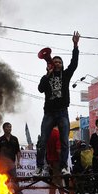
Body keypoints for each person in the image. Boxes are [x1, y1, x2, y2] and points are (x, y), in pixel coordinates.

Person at [33, 31, 80, 177]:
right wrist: (47, 74)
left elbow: (74, 64)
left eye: (59, 62)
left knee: (65, 141)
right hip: (48, 113)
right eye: (55, 61)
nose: (57, 63)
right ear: (51, 64)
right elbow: (40, 89)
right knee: (42, 141)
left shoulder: (66, 75)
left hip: (62, 112)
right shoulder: (45, 77)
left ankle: (65, 167)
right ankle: (39, 167)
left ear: (61, 64)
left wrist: (75, 45)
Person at [0, 122, 30, 194]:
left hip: (12, 164)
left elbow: (18, 151)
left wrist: (18, 162)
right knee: (4, 181)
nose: (9, 128)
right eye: (8, 127)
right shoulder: (0, 140)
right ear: (4, 129)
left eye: (10, 127)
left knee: (15, 180)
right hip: (3, 165)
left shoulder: (14, 139)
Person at [46, 126, 67, 194]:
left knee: (56, 178)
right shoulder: (58, 134)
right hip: (57, 159)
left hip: (51, 159)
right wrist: (63, 161)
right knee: (58, 178)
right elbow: (58, 149)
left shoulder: (48, 133)